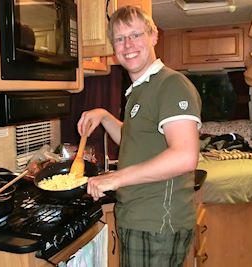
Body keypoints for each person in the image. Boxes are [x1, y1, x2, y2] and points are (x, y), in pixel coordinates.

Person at [76, 6, 202, 267]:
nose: (128, 45)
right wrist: (104, 116)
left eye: (135, 35)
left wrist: (116, 177)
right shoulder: (140, 90)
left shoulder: (171, 85)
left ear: (153, 36)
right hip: (139, 217)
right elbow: (135, 141)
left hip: (156, 224)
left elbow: (185, 156)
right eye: (120, 39)